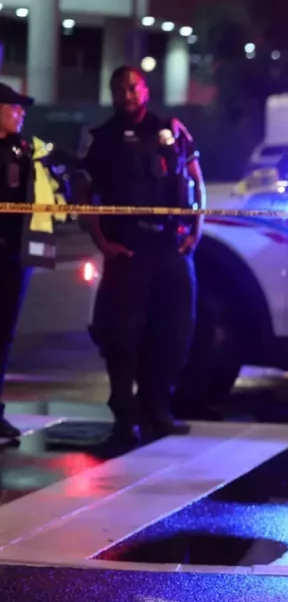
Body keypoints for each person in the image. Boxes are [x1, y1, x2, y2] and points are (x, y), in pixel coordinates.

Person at [73, 66, 205, 445]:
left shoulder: (172, 130)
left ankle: (157, 408)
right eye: (119, 88)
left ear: (145, 90)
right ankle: (124, 413)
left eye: (133, 87)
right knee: (121, 335)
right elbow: (82, 195)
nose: (126, 94)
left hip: (170, 246)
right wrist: (102, 242)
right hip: (127, 248)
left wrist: (196, 229)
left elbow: (196, 178)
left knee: (174, 331)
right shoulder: (100, 138)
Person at [0, 83, 38, 441]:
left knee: (4, 335)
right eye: (13, 107)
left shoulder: (22, 150)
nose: (20, 113)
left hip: (13, 255)